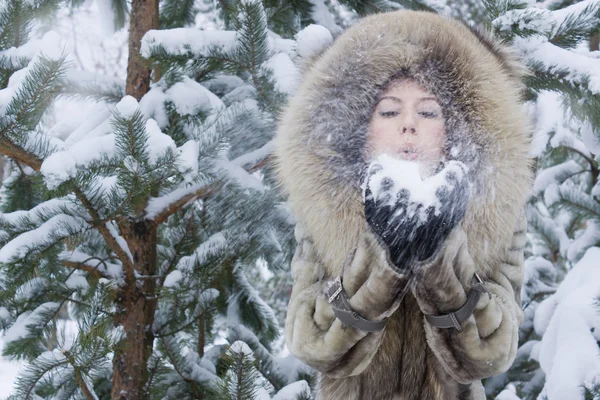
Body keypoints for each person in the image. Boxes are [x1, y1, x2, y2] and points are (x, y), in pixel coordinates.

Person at [273, 10, 532, 400]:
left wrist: (440, 261)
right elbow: (312, 344)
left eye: (428, 112)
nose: (408, 124)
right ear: (363, 131)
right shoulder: (328, 208)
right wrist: (379, 260)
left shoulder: (493, 210)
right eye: (389, 111)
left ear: (452, 130)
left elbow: (491, 354)